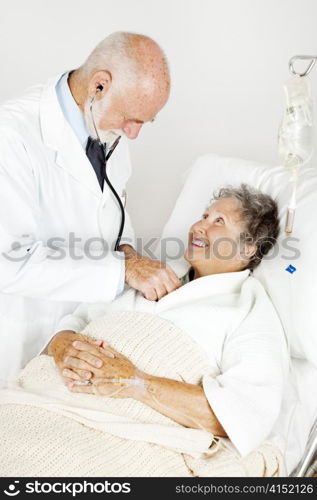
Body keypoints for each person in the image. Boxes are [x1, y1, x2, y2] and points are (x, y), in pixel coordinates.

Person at [0, 185, 289, 477]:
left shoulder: (249, 309)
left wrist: (135, 382)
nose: (199, 226)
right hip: (42, 401)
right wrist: (64, 349)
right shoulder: (153, 273)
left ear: (249, 247)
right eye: (204, 216)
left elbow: (239, 414)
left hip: (123, 436)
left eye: (218, 222)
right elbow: (74, 324)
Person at [0, 32, 181, 388]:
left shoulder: (105, 125)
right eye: (133, 119)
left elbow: (109, 213)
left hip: (80, 333)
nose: (134, 134)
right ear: (100, 84)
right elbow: (9, 262)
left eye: (144, 122)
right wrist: (122, 269)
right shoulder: (12, 137)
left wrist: (126, 250)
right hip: (19, 333)